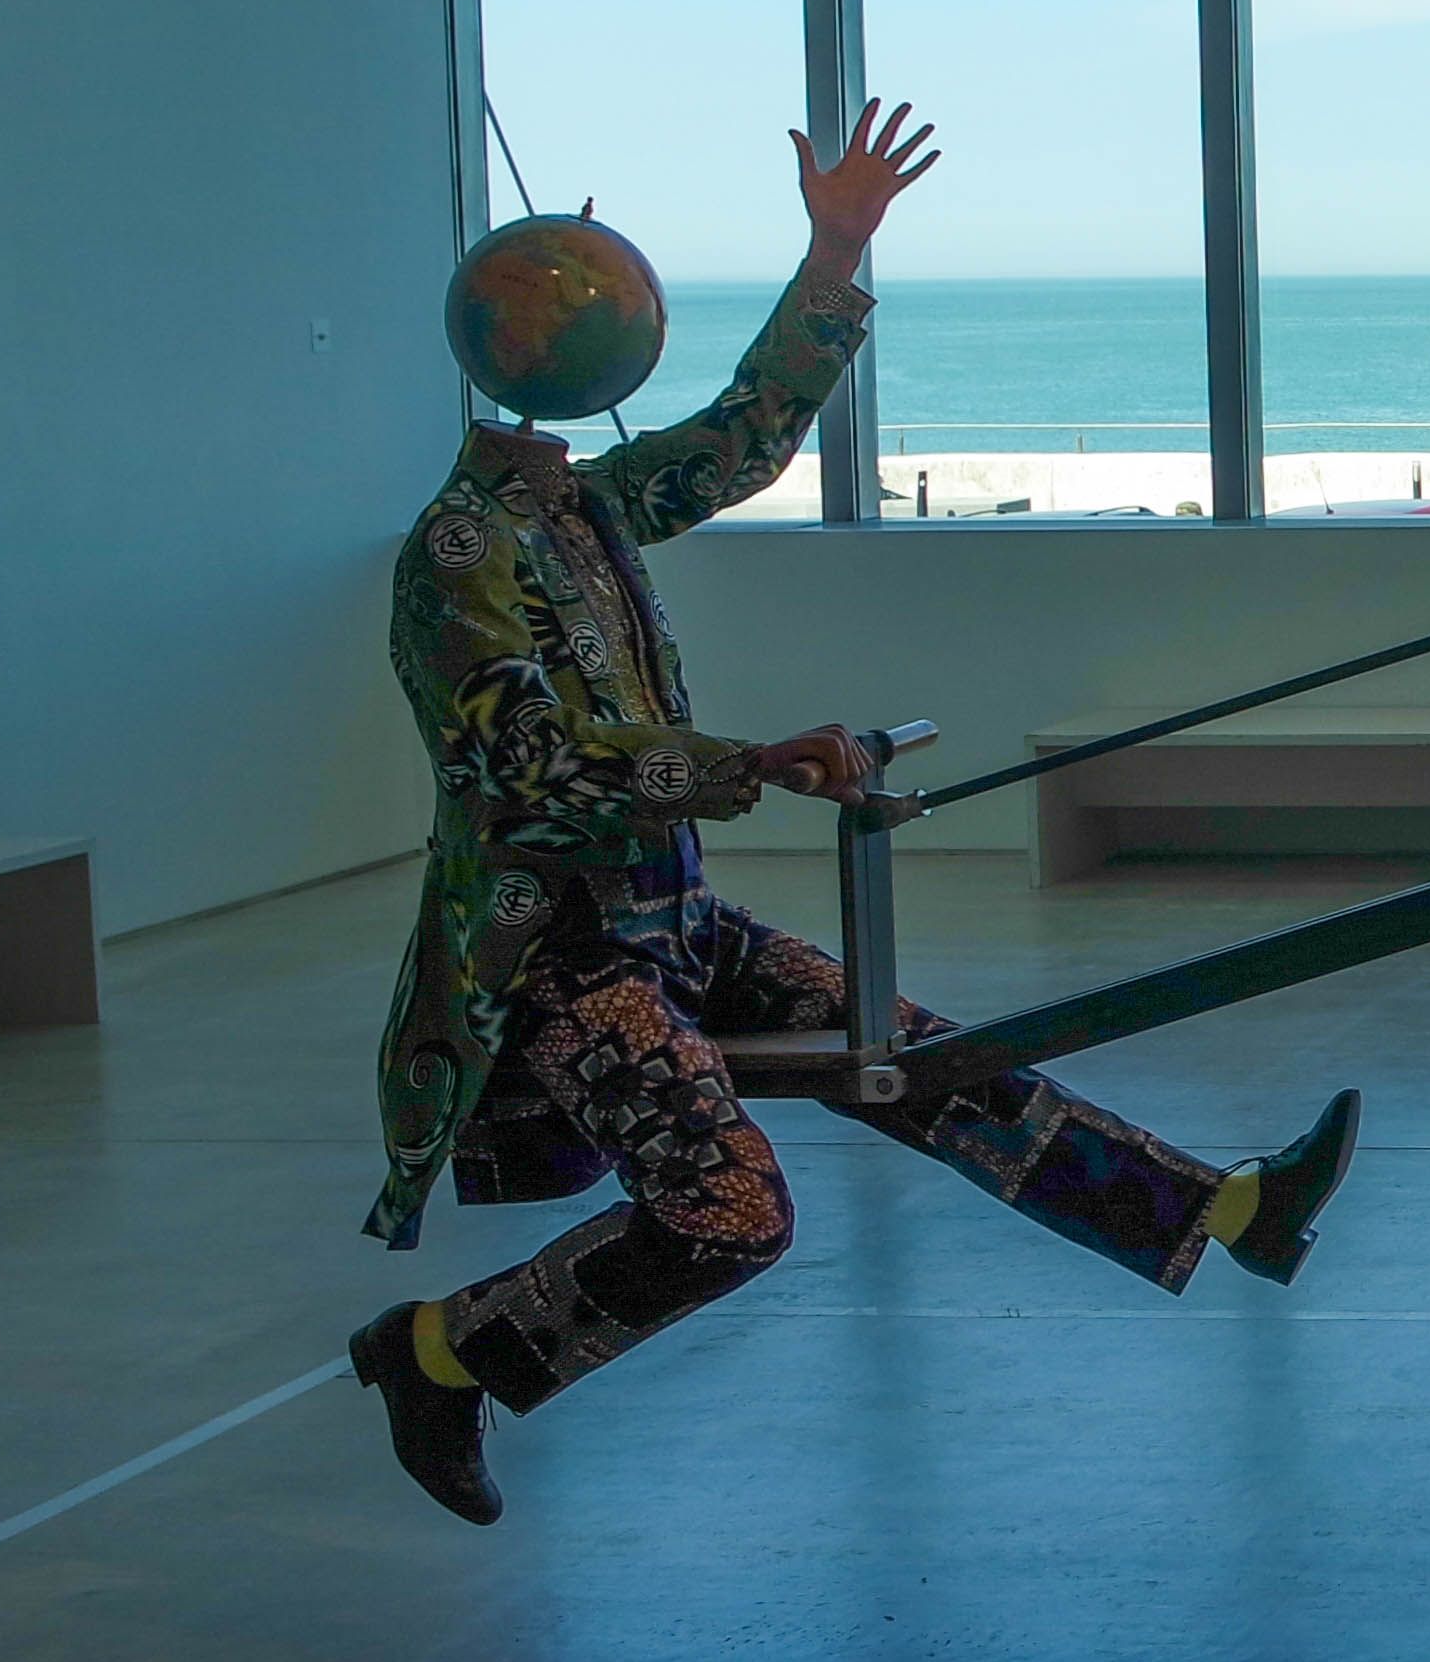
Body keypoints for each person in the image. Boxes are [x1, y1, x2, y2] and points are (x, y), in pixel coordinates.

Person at [351, 101, 1367, 1526]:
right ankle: (438, 1354)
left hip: (674, 922)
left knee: (930, 1064)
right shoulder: (459, 553)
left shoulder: (576, 511)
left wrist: (835, 252)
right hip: (560, 957)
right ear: (516, 348)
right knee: (728, 1220)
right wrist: (746, 762)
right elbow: (525, 764)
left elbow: (737, 444)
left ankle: (1227, 1214)